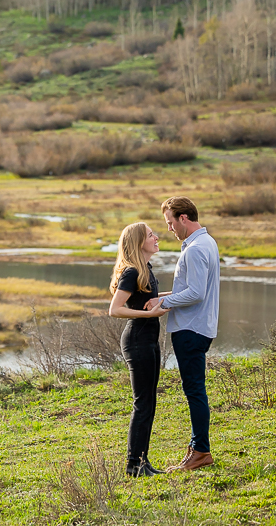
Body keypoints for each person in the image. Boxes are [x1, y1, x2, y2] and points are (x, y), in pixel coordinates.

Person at [145, 195, 220, 472]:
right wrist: (159, 296)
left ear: (183, 218)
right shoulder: (205, 242)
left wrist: (162, 303)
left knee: (194, 391)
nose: (169, 229)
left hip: (191, 328)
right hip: (197, 326)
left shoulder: (196, 249)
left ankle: (200, 451)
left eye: (170, 222)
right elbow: (190, 289)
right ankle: (196, 447)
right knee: (194, 390)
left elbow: (196, 293)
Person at [107, 222, 167, 478]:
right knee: (143, 404)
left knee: (149, 403)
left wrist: (184, 295)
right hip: (137, 341)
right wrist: (150, 314)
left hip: (149, 340)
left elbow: (147, 300)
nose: (156, 237)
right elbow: (115, 309)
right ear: (138, 241)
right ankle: (134, 465)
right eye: (151, 235)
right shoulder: (131, 272)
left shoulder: (145, 270)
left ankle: (143, 461)